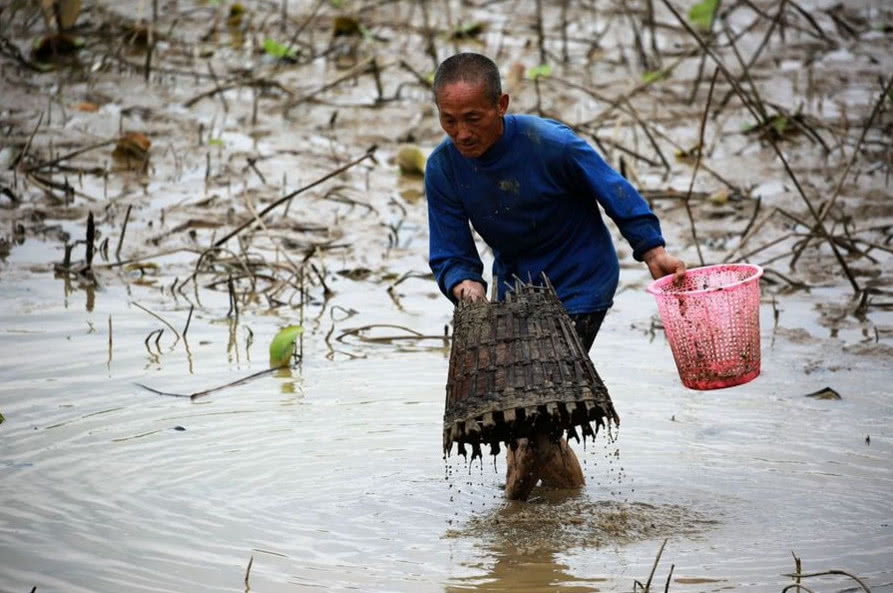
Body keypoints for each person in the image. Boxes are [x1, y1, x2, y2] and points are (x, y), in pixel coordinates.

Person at [425, 52, 685, 501]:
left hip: (581, 281)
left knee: (535, 420)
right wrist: (466, 285)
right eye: (449, 120)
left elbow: (613, 189)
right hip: (517, 289)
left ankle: (513, 522)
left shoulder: (551, 143)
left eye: (473, 118)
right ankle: (566, 507)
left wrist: (652, 249)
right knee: (518, 415)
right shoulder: (444, 168)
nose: (462, 133)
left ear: (501, 104)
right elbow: (451, 250)